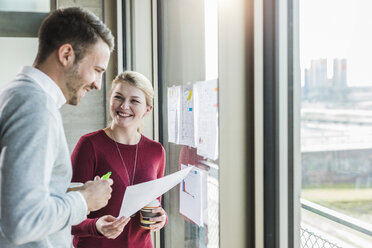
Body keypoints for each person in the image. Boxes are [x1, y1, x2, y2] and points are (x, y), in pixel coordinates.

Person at [0, 7, 117, 248]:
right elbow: (22, 221)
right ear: (66, 55)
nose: (97, 84)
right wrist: (85, 200)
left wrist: (75, 191)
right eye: (96, 70)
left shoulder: (16, 93)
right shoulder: (36, 108)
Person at [71, 71, 167, 248]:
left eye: (134, 101)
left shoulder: (156, 151)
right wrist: (96, 226)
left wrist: (161, 217)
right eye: (118, 97)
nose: (124, 106)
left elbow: (154, 204)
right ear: (110, 100)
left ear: (147, 109)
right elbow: (68, 215)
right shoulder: (89, 145)